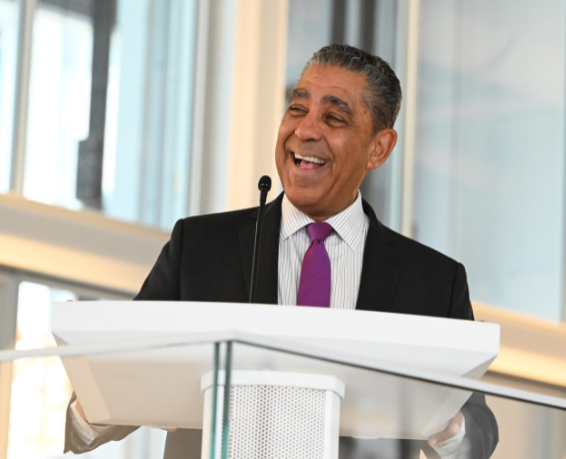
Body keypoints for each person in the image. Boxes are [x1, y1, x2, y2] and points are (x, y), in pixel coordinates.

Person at [64, 44, 498, 459]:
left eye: (334, 117)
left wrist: (439, 419)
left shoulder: (434, 281)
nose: (305, 130)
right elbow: (91, 415)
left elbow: (478, 434)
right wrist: (100, 403)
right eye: (297, 108)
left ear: (378, 148)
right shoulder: (199, 248)